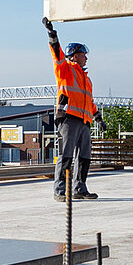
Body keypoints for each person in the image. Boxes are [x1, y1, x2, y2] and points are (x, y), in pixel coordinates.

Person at [44, 17, 104, 201]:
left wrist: (98, 118)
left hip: (84, 122)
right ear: (75, 55)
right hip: (68, 118)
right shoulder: (66, 70)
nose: (86, 57)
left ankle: (80, 188)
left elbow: (89, 101)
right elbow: (57, 54)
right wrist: (52, 34)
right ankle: (60, 190)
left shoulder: (86, 79)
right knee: (66, 155)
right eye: (84, 54)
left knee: (84, 157)